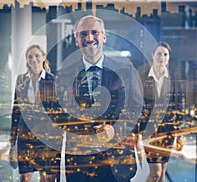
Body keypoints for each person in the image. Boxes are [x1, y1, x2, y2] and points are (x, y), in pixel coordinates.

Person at [55, 15, 143, 182]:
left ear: (104, 36)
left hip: (116, 161)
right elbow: (56, 119)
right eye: (83, 34)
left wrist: (116, 130)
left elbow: (137, 109)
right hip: (79, 163)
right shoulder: (64, 74)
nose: (89, 38)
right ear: (76, 40)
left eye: (94, 32)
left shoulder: (125, 69)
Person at [8, 44, 61, 182]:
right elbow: (16, 111)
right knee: (25, 177)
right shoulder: (21, 80)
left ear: (43, 57)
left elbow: (57, 114)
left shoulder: (53, 81)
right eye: (30, 56)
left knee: (46, 176)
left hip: (46, 136)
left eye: (37, 55)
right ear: (26, 60)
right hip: (25, 136)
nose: (34, 59)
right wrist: (12, 141)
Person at [137, 41, 184, 182]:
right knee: (155, 173)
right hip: (150, 132)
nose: (162, 57)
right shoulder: (143, 78)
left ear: (169, 57)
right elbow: (137, 105)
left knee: (162, 174)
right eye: (159, 53)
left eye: (165, 54)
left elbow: (179, 106)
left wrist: (180, 133)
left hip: (168, 131)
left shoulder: (174, 79)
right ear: (152, 55)